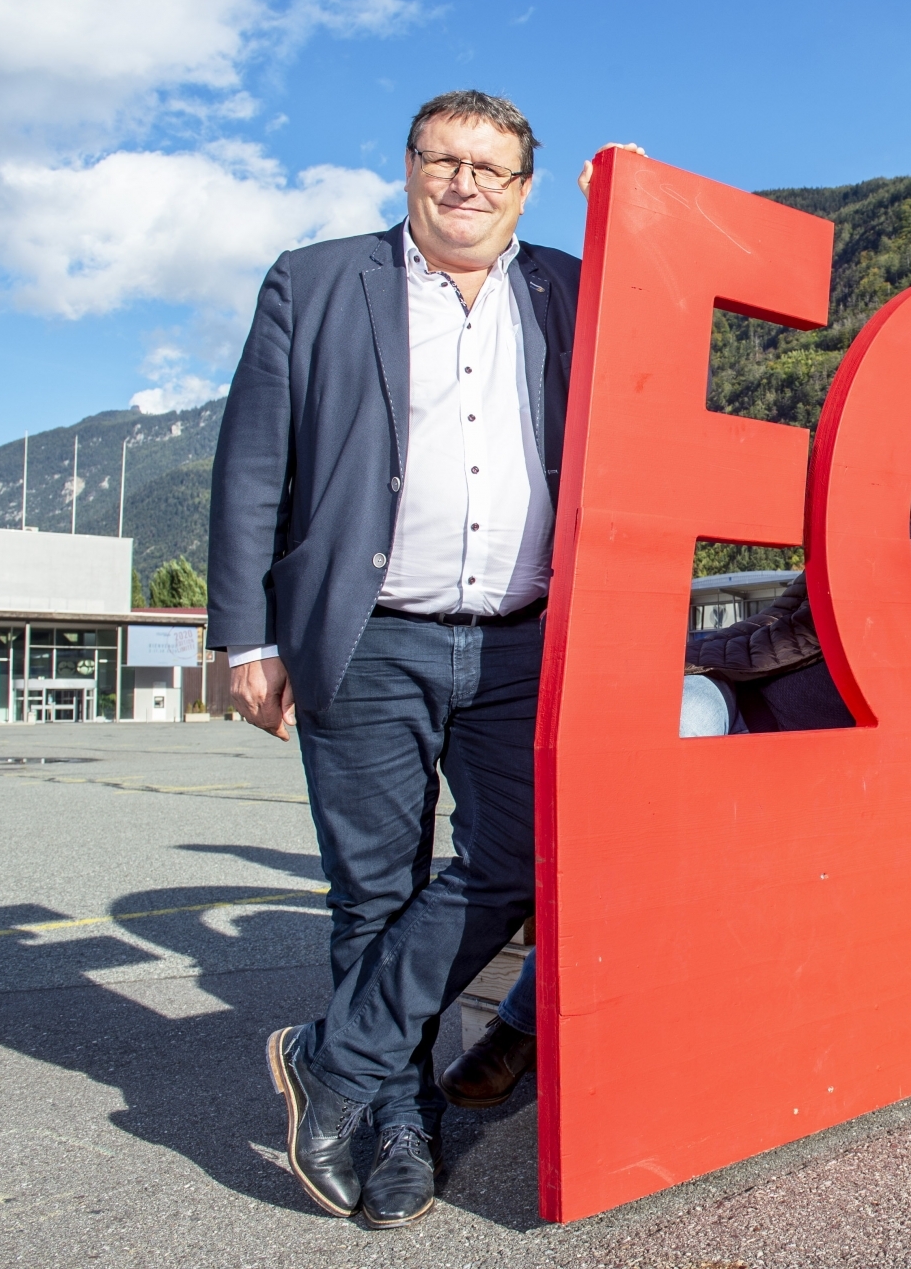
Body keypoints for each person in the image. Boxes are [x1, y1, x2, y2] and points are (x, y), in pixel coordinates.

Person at [207, 88, 638, 1229]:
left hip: (518, 635)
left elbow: (662, 346)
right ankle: (399, 1119)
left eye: (490, 169)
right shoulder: (316, 279)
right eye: (443, 160)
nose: (465, 184)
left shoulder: (568, 285)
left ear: (524, 189)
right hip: (368, 630)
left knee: (517, 857)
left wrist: (635, 214)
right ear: (406, 167)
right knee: (373, 891)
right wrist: (246, 634)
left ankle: (334, 1059)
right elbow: (253, 462)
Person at [434, 449, 911, 1109]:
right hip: (738, 699)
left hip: (826, 780)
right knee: (645, 799)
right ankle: (521, 1028)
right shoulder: (888, 520)